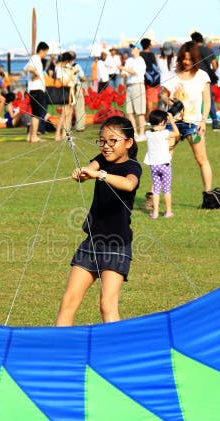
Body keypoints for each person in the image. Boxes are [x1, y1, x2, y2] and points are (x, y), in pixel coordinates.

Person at [56, 115, 142, 326]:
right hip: (92, 242)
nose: (106, 146)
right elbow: (88, 171)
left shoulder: (132, 167)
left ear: (128, 143)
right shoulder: (101, 160)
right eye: (102, 141)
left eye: (113, 141)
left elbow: (129, 185)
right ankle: (58, 350)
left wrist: (100, 175)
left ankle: (115, 355)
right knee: (69, 300)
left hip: (117, 245)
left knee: (107, 305)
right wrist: (82, 173)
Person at [163, 41, 214, 195]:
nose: (186, 62)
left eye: (190, 59)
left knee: (201, 159)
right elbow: (163, 95)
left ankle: (208, 194)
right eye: (184, 58)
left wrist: (204, 121)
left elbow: (207, 101)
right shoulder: (171, 75)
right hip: (172, 123)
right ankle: (154, 196)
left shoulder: (202, 76)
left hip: (194, 124)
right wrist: (169, 101)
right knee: (164, 160)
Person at [144, 109, 180, 219]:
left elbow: (153, 129)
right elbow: (177, 133)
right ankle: (168, 212)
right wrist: (172, 121)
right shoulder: (165, 133)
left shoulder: (148, 134)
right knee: (167, 189)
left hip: (154, 166)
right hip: (165, 166)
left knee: (156, 190)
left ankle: (155, 213)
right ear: (162, 123)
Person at [191, 32, 220, 130]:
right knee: (209, 101)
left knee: (192, 100)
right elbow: (214, 65)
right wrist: (211, 72)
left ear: (193, 41)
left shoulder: (192, 51)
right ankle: (215, 123)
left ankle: (192, 123)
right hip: (205, 79)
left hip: (193, 78)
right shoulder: (208, 50)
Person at [119, 44, 147, 139]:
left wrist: (123, 69)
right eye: (131, 47)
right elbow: (125, 74)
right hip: (130, 87)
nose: (132, 49)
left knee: (140, 112)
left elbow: (134, 72)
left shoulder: (141, 60)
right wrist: (121, 72)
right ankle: (134, 133)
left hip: (138, 85)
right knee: (129, 112)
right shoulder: (129, 60)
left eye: (134, 48)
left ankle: (142, 134)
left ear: (139, 49)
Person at [24, 41, 49, 143]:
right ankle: (34, 136)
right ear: (42, 50)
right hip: (36, 89)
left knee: (35, 114)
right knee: (37, 115)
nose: (46, 54)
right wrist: (36, 74)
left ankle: (30, 136)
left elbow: (25, 69)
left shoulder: (35, 58)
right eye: (46, 52)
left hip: (34, 89)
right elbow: (29, 68)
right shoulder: (36, 58)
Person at [69, 51, 88, 132]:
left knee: (68, 109)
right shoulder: (77, 66)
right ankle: (79, 127)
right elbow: (83, 78)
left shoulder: (64, 67)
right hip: (77, 87)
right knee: (79, 108)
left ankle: (67, 126)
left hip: (68, 88)